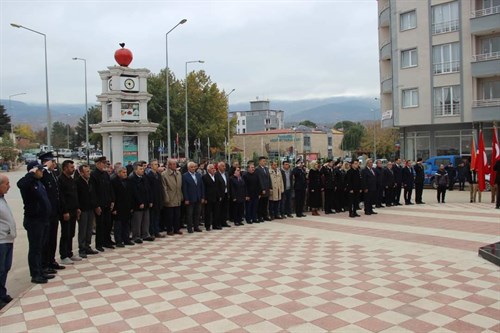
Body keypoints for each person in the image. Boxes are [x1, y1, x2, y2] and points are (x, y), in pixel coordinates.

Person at [17, 162, 54, 284]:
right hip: (34, 221)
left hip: (43, 219)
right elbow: (20, 184)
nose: (42, 172)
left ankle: (41, 269)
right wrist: (30, 174)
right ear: (33, 171)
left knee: (41, 247)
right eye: (39, 170)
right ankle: (35, 274)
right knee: (35, 248)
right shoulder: (28, 183)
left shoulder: (39, 182)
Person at [39, 152, 64, 272]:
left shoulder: (52, 174)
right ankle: (45, 264)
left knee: (53, 238)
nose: (54, 163)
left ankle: (51, 260)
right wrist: (44, 167)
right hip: (47, 213)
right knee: (46, 240)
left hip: (55, 212)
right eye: (52, 161)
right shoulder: (42, 174)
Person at [57, 160, 82, 265]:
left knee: (71, 233)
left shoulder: (71, 180)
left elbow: (75, 195)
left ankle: (70, 253)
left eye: (73, 167)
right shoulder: (60, 180)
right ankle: (64, 255)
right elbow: (61, 197)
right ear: (65, 168)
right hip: (65, 211)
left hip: (73, 210)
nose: (73, 169)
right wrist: (65, 211)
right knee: (65, 233)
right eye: (71, 167)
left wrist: (77, 208)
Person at [90, 156, 115, 252]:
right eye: (103, 163)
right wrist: (96, 206)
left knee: (108, 224)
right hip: (99, 204)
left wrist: (112, 200)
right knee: (100, 225)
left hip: (107, 203)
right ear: (98, 163)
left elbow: (110, 188)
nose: (105, 165)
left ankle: (107, 241)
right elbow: (93, 192)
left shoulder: (105, 174)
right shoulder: (93, 175)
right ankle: (99, 244)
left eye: (105, 163)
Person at [0, 174, 16, 308]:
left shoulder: (2, 199)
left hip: (7, 240)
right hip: (1, 241)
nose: (9, 186)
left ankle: (2, 294)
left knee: (5, 268)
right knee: (0, 269)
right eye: (6, 184)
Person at [75, 165, 98, 258]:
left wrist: (96, 206)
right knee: (83, 230)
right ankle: (82, 249)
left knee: (89, 229)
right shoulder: (77, 182)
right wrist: (78, 208)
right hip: (83, 209)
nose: (89, 173)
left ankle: (88, 246)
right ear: (81, 173)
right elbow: (76, 197)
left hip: (90, 208)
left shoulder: (90, 181)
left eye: (89, 171)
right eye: (87, 171)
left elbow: (93, 194)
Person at [129, 162, 154, 243]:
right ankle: (136, 236)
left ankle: (145, 234)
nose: (142, 170)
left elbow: (149, 189)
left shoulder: (144, 177)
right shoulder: (132, 178)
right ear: (135, 170)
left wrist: (150, 200)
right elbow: (134, 193)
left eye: (143, 169)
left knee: (146, 220)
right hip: (138, 204)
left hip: (146, 202)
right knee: (137, 220)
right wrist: (140, 202)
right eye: (140, 169)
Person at [111, 167, 134, 247]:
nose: (125, 174)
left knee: (126, 224)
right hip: (118, 207)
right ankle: (119, 241)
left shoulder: (129, 181)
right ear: (118, 173)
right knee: (118, 225)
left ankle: (126, 239)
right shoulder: (114, 181)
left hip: (127, 206)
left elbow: (131, 194)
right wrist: (114, 208)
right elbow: (113, 196)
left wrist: (131, 206)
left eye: (126, 172)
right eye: (123, 172)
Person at [161, 159, 183, 236]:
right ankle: (169, 229)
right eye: (173, 164)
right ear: (169, 165)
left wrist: (181, 196)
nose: (175, 165)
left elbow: (180, 186)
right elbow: (164, 188)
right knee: (170, 216)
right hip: (170, 197)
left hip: (177, 196)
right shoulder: (164, 174)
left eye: (175, 164)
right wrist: (166, 198)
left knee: (177, 215)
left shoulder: (178, 173)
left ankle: (177, 228)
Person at [182, 162, 204, 233]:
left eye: (194, 167)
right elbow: (184, 188)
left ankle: (196, 227)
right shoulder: (185, 176)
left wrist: (202, 197)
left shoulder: (198, 175)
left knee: (197, 213)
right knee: (189, 214)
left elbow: (201, 186)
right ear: (188, 168)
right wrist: (186, 199)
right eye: (191, 167)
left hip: (198, 197)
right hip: (190, 198)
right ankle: (189, 228)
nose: (193, 168)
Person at [146, 159, 165, 238]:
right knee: (152, 217)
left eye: (157, 164)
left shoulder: (158, 174)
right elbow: (149, 189)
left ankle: (157, 231)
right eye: (155, 164)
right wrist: (150, 200)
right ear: (151, 166)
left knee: (157, 216)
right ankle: (152, 232)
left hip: (159, 198)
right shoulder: (149, 175)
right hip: (153, 199)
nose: (156, 166)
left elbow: (161, 187)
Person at [202, 163, 222, 230]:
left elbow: (218, 186)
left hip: (216, 197)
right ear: (208, 170)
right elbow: (204, 188)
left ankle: (215, 225)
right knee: (208, 212)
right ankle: (207, 226)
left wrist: (219, 195)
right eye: (212, 168)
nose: (214, 169)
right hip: (208, 198)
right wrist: (204, 198)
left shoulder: (216, 176)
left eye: (214, 168)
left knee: (216, 212)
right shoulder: (204, 177)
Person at [215, 161, 231, 228]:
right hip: (220, 195)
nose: (224, 167)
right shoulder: (216, 174)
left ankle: (224, 222)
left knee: (225, 209)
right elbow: (216, 186)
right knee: (218, 210)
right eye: (222, 166)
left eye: (224, 166)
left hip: (226, 193)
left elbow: (228, 184)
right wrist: (219, 195)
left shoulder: (226, 174)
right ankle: (218, 223)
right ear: (218, 167)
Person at [255, 156, 271, 222]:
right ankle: (260, 216)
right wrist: (262, 189)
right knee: (260, 204)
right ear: (260, 162)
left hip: (267, 189)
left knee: (265, 203)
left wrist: (270, 187)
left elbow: (269, 179)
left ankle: (265, 215)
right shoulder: (257, 169)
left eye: (265, 161)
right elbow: (260, 180)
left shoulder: (266, 169)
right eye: (263, 161)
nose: (265, 162)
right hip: (262, 189)